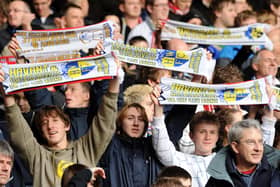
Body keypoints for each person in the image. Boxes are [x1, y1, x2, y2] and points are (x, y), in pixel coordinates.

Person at [0, 64, 120, 186]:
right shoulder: (38, 156)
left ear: (66, 125)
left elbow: (105, 122)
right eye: (44, 123)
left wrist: (115, 80)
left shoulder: (85, 149)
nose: (50, 126)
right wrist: (7, 93)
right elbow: (19, 133)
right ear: (41, 131)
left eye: (55, 120)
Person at [152, 86, 220, 187]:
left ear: (218, 136)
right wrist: (158, 111)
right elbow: (162, 147)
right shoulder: (180, 160)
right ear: (191, 135)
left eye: (212, 132)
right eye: (202, 132)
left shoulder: (226, 162)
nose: (207, 137)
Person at [98, 103, 162, 187]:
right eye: (130, 118)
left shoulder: (154, 146)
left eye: (141, 119)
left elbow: (175, 123)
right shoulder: (110, 144)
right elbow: (105, 112)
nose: (136, 123)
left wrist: (160, 101)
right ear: (120, 122)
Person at [206, 119, 280, 187]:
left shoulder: (275, 170)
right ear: (235, 147)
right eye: (251, 142)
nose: (258, 148)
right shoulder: (218, 176)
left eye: (260, 142)